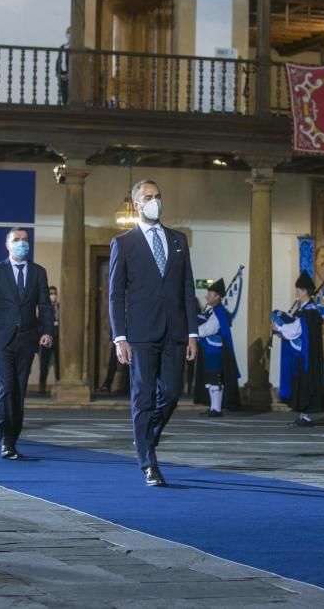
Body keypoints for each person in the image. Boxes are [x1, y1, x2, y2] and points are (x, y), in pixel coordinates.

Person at [108, 179, 198, 487]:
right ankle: (149, 463)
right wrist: (120, 337)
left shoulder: (178, 240)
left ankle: (146, 436)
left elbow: (187, 288)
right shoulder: (124, 243)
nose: (155, 201)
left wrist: (193, 333)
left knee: (172, 393)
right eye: (148, 197)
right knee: (142, 397)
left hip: (174, 331)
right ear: (136, 204)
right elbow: (115, 295)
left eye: (158, 196)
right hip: (141, 333)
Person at [0, 228, 54, 460]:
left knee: (19, 390)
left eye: (25, 240)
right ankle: (5, 441)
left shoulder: (39, 272)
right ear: (8, 245)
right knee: (6, 387)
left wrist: (47, 331)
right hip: (0, 340)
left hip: (27, 339)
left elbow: (45, 305)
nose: (22, 243)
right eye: (17, 240)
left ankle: (13, 439)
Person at [272, 273, 324, 427]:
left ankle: (306, 417)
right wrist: (280, 329)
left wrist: (279, 327)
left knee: (305, 383)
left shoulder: (309, 311)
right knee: (302, 384)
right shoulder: (303, 310)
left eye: (298, 290)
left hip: (306, 356)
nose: (296, 292)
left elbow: (296, 330)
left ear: (304, 291)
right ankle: (304, 416)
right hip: (301, 354)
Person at [193, 279, 240, 417]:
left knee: (215, 380)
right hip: (209, 350)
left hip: (215, 351)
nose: (207, 296)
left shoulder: (218, 313)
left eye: (210, 294)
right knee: (210, 379)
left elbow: (209, 329)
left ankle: (217, 408)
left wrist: (193, 330)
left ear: (217, 297)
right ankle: (213, 407)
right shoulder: (214, 311)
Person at [38, 285, 61, 394]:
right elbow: (40, 323)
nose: (53, 296)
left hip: (59, 338)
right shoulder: (44, 308)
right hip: (47, 337)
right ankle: (42, 386)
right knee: (44, 363)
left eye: (54, 293)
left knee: (59, 363)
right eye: (51, 294)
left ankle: (59, 384)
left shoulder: (61, 307)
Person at [55, 28, 70, 105]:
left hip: (71, 76)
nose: (69, 35)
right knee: (64, 95)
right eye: (68, 33)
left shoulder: (74, 48)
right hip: (62, 75)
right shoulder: (62, 47)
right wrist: (59, 74)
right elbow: (58, 61)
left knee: (71, 95)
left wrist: (69, 75)